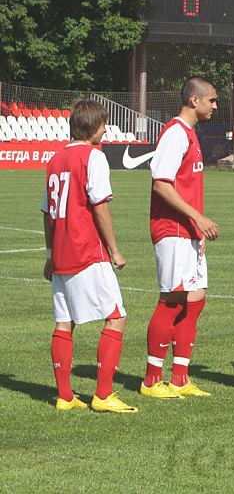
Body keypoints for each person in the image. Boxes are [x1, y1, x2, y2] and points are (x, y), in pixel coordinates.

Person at [43, 100, 137, 413]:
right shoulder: (93, 157)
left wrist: (50, 254)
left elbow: (47, 213)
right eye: (103, 125)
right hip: (86, 250)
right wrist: (114, 250)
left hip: (61, 253)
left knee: (64, 322)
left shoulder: (55, 159)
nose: (105, 130)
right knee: (116, 316)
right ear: (93, 127)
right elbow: (99, 206)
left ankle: (65, 396)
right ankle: (103, 395)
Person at [142, 77, 219, 399]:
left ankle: (180, 377)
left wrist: (196, 227)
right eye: (212, 100)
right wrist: (197, 218)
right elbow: (161, 183)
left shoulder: (190, 133)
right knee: (171, 300)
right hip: (172, 229)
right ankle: (151, 381)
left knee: (196, 298)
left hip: (187, 231)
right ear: (194, 100)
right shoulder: (175, 133)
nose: (215, 106)